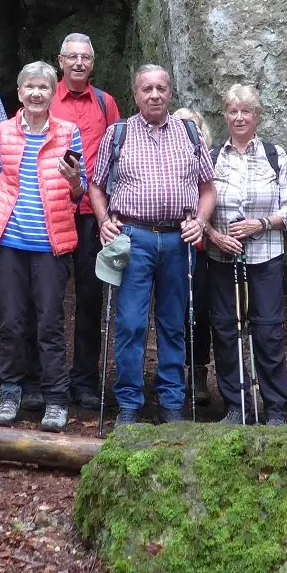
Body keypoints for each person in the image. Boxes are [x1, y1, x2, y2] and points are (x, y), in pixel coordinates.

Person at [88, 65, 215, 425]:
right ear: (136, 94)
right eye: (147, 89)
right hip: (134, 238)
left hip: (178, 239)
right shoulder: (119, 133)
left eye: (161, 88)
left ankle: (172, 403)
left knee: (173, 323)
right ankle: (129, 403)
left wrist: (201, 222)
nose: (155, 95)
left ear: (170, 94)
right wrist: (103, 220)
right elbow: (96, 185)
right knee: (130, 323)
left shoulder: (189, 133)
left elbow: (208, 187)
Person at [0, 61, 85, 432]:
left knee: (50, 322)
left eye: (43, 87)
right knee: (10, 320)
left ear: (53, 92)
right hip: (9, 239)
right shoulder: (2, 131)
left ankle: (55, 399)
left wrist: (74, 182)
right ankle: (10, 393)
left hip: (50, 242)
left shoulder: (68, 132)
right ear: (20, 92)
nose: (37, 93)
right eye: (30, 87)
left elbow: (80, 190)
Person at [205, 84, 287, 426]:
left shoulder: (276, 156)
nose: (239, 117)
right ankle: (236, 405)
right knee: (226, 330)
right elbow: (197, 208)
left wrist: (259, 224)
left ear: (257, 116)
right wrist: (215, 236)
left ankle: (276, 408)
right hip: (221, 259)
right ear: (225, 116)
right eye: (233, 111)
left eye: (246, 111)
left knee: (268, 331)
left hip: (265, 258)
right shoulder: (213, 156)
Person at [50, 33, 123, 409]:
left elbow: (120, 151)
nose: (79, 63)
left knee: (90, 300)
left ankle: (83, 380)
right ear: (60, 61)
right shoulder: (46, 95)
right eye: (72, 57)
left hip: (95, 217)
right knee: (46, 299)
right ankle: (45, 378)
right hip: (52, 212)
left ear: (93, 64)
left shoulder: (105, 102)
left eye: (85, 58)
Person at [173, 107, 215, 411]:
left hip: (202, 249)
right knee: (171, 314)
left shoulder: (209, 159)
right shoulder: (160, 157)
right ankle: (173, 375)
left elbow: (213, 198)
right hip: (169, 245)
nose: (187, 130)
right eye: (181, 125)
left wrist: (204, 227)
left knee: (198, 313)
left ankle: (198, 374)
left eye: (193, 125)